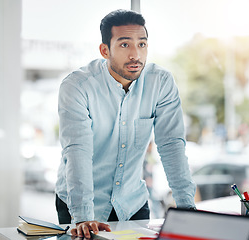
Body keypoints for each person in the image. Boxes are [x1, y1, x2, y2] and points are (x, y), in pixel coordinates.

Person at [55, 9, 196, 238]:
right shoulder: (78, 86)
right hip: (80, 204)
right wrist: (82, 216)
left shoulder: (160, 82)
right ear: (104, 50)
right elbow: (77, 150)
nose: (135, 55)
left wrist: (186, 207)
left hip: (132, 203)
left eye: (142, 44)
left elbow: (171, 145)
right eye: (124, 45)